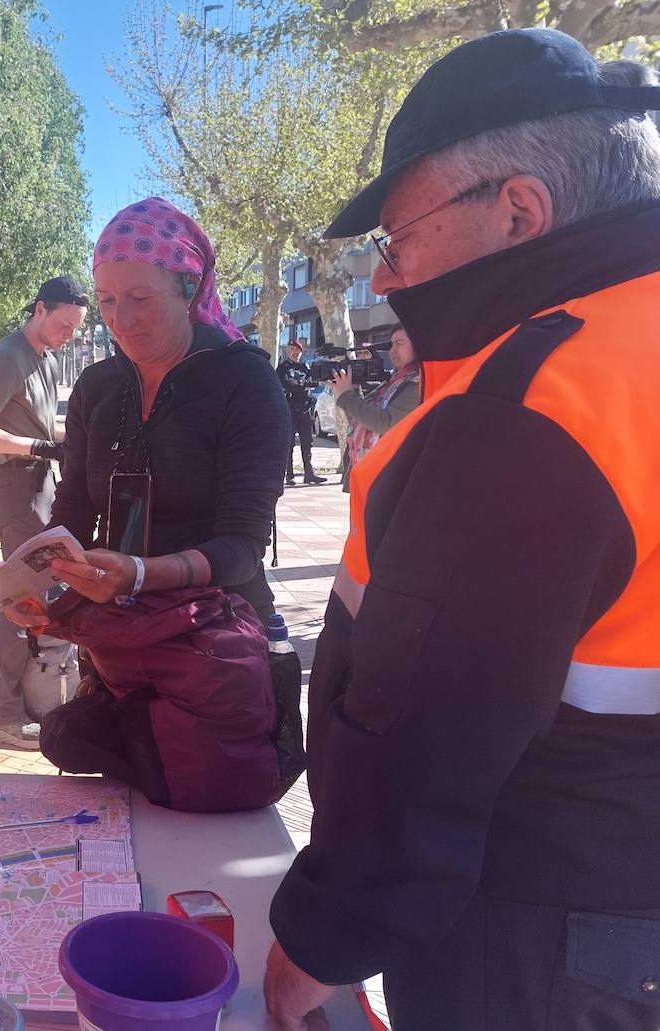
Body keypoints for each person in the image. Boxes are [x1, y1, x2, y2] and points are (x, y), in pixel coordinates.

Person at [264, 30, 660, 1031]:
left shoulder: (533, 401)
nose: (388, 278)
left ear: (519, 211)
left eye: (397, 241)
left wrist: (323, 939)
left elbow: (429, 722)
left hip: (537, 931)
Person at [38, 196, 290, 623]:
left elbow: (243, 547)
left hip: (216, 641)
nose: (121, 320)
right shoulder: (97, 388)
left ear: (189, 289)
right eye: (107, 300)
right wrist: (33, 585)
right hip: (115, 637)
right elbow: (73, 513)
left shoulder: (245, 383)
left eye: (140, 297)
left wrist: (141, 574)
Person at [0, 275, 88, 749]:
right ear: (39, 310)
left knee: (42, 589)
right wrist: (38, 446)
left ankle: (22, 699)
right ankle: (1, 717)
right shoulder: (7, 357)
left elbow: (42, 424)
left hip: (41, 481)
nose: (69, 334)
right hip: (15, 484)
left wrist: (65, 442)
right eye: (64, 323)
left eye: (76, 327)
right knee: (24, 598)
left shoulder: (46, 358)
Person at [331, 323, 421, 490]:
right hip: (373, 473)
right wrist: (348, 389)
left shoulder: (416, 382)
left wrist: (346, 396)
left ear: (417, 345)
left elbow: (385, 422)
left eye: (399, 344)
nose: (392, 350)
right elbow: (362, 417)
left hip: (390, 477)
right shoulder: (395, 379)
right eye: (391, 344)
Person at [276, 337, 327, 485]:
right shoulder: (283, 367)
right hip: (290, 408)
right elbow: (284, 384)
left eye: (297, 350)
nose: (294, 352)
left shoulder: (306, 367)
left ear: (301, 351)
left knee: (307, 442)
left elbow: (314, 382)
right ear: (287, 350)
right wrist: (301, 384)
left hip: (305, 408)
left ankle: (309, 473)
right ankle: (289, 475)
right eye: (292, 349)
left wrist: (298, 382)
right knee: (289, 443)